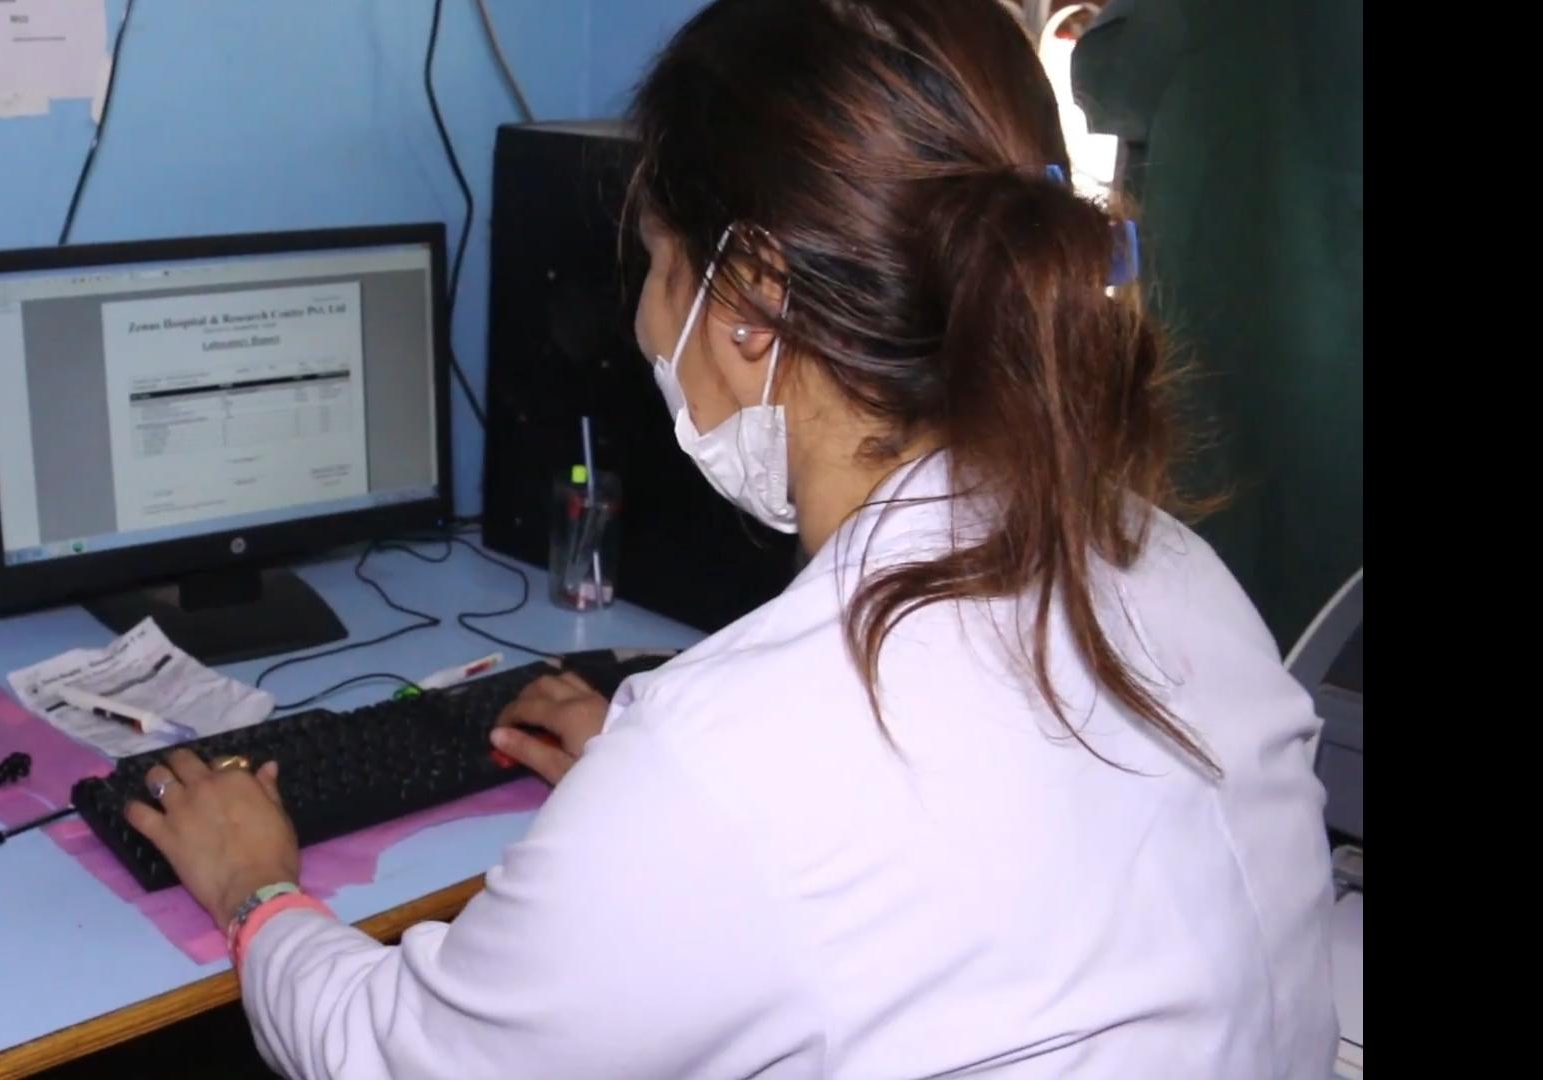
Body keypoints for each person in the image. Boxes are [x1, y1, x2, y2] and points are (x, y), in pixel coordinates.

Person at [119, 0, 1337, 1075]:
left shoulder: (738, 758)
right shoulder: (1168, 563)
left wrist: (254, 888)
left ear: (751, 299)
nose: (647, 321)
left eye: (658, 263)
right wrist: (647, 825)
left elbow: (401, 1059)